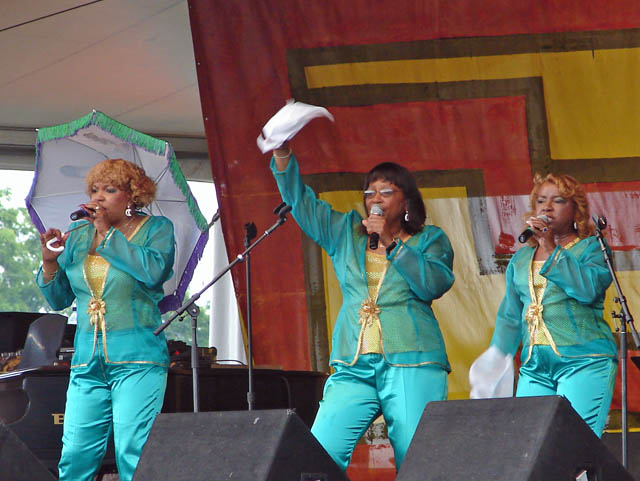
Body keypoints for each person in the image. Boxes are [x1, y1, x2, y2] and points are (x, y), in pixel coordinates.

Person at [269, 143, 454, 471]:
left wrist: (391, 244)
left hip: (412, 359)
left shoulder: (429, 239)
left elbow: (433, 284)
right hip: (353, 363)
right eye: (370, 193)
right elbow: (301, 202)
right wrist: (282, 155)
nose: (376, 199)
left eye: (386, 191)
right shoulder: (344, 233)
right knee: (317, 455)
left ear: (407, 201)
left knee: (417, 462)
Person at [37, 158, 175, 481]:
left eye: (110, 190)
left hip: (137, 358)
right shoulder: (79, 234)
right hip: (86, 362)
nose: (98, 197)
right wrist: (49, 262)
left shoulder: (156, 230)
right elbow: (59, 299)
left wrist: (106, 232)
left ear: (133, 196)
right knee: (74, 455)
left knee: (133, 453)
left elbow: (153, 272)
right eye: (95, 189)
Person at [483, 172, 617, 436]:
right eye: (541, 201)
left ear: (576, 210)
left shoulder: (592, 249)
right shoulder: (521, 259)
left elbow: (587, 289)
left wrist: (550, 246)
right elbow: (510, 315)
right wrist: (496, 358)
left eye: (558, 201)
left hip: (583, 360)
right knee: (529, 447)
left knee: (573, 447)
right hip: (535, 367)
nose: (546, 206)